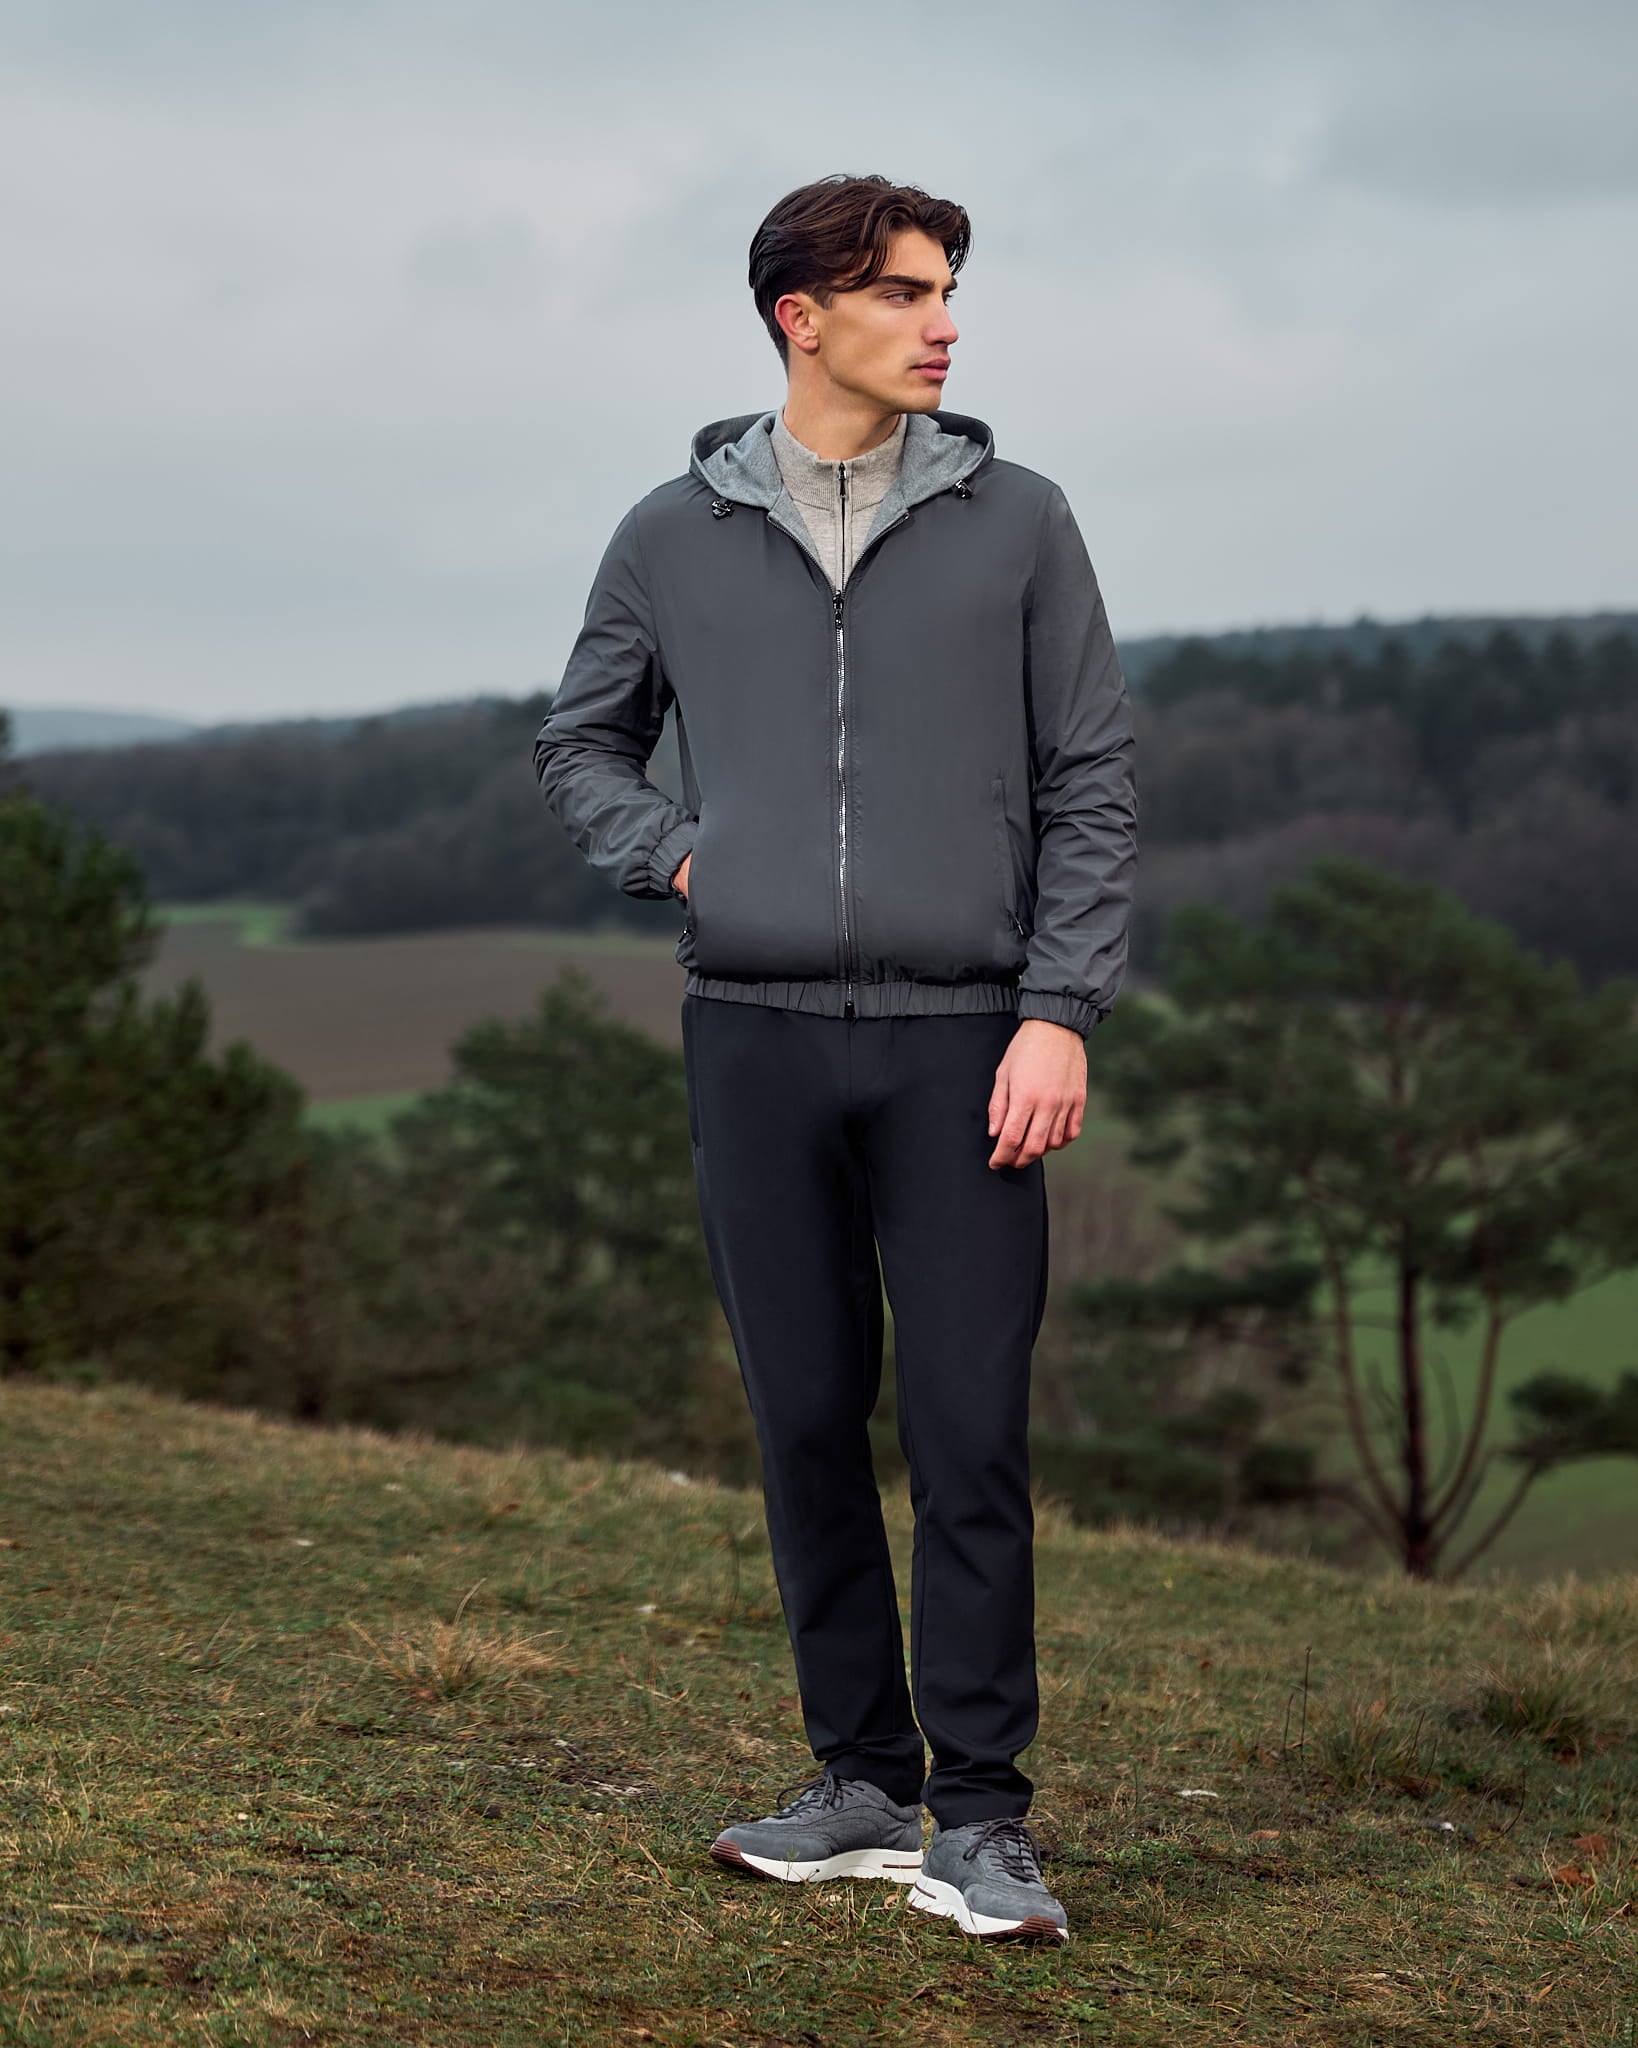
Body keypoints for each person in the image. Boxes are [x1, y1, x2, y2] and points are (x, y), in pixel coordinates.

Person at [532, 173, 1137, 1944]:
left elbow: (1091, 780)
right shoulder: (669, 531)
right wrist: (687, 852)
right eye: (904, 292)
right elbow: (582, 742)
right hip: (756, 1041)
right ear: (802, 316)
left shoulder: (1019, 520)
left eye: (948, 290)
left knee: (964, 1433)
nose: (942, 321)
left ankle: (986, 1815)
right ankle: (861, 1778)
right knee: (804, 1420)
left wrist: (1057, 1007)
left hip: (968, 1044)